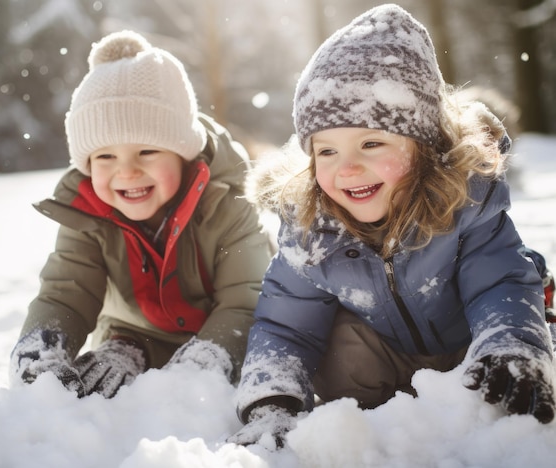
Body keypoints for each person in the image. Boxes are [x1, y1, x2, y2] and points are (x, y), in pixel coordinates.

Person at [228, 4, 556, 449]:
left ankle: (523, 349)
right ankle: (390, 417)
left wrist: (509, 344)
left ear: (424, 146)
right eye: (326, 152)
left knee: (517, 310)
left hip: (470, 347)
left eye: (370, 143)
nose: (348, 168)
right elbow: (285, 326)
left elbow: (498, 284)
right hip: (386, 356)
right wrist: (272, 403)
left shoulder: (466, 204)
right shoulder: (311, 230)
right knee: (337, 349)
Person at [8, 30, 274, 398]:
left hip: (223, 337)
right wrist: (41, 345)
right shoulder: (86, 211)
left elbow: (247, 301)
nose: (127, 171)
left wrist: (204, 361)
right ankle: (131, 350)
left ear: (183, 152)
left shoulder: (228, 203)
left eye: (147, 151)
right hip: (131, 334)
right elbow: (66, 291)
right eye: (105, 156)